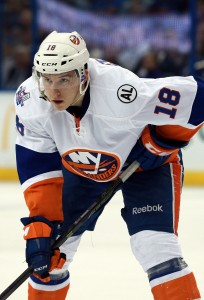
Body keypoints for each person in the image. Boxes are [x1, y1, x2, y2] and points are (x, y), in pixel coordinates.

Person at [14, 31, 204, 300]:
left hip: (144, 166)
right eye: (47, 79)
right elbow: (37, 165)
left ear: (83, 75)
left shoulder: (122, 92)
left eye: (64, 79)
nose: (53, 90)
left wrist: (160, 143)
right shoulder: (30, 100)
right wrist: (41, 224)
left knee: (156, 248)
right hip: (80, 168)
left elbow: (198, 99)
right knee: (51, 256)